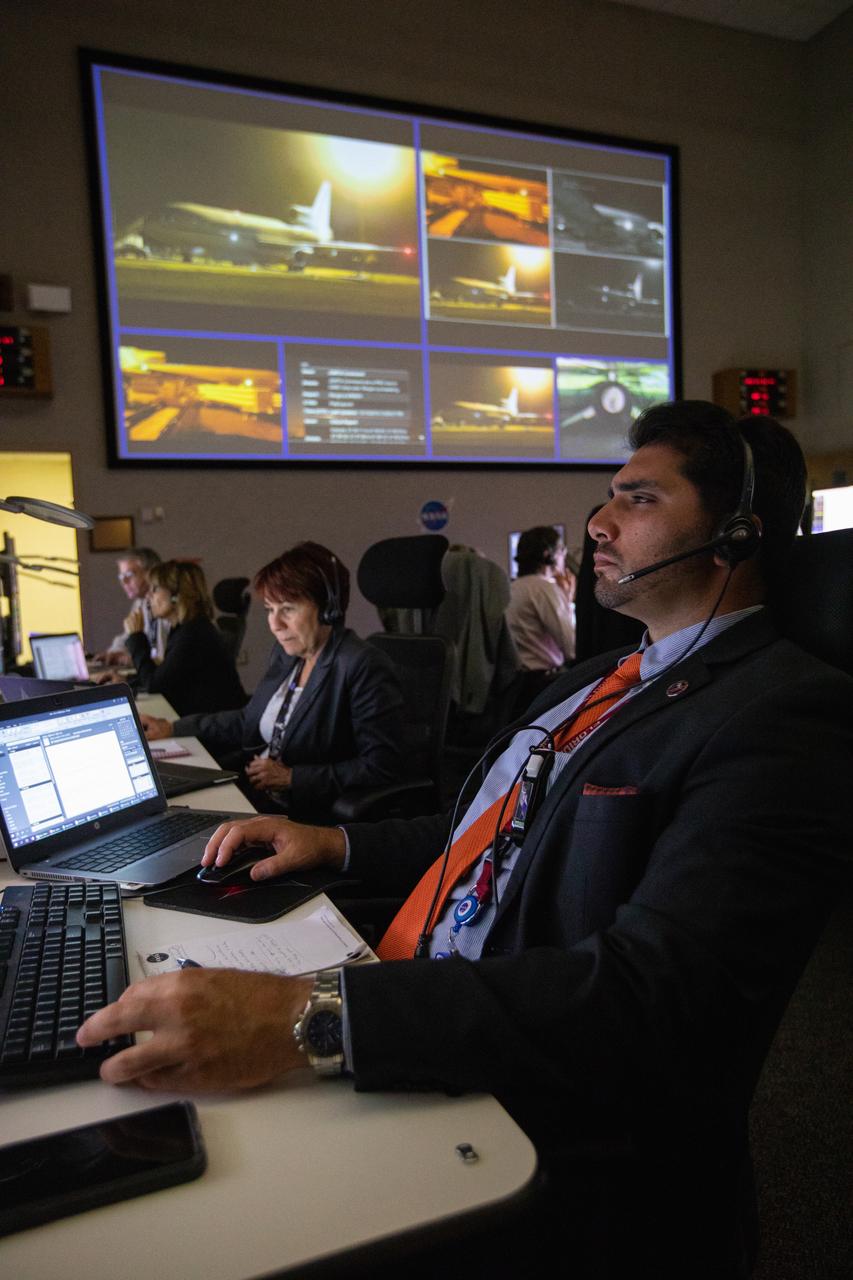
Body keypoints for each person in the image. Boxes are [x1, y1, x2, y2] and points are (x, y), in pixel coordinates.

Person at [79, 404, 853, 1279]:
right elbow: (481, 830)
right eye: (607, 496)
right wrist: (331, 843)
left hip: (527, 1106)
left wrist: (308, 1018)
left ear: (737, 530)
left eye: (637, 500)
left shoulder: (780, 711)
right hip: (411, 989)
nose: (597, 523)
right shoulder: (600, 677)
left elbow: (654, 1000)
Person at [140, 542, 406, 821]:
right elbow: (248, 720)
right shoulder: (288, 654)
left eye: (288, 609)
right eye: (269, 609)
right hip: (261, 796)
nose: (275, 624)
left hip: (307, 816)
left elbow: (381, 767)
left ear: (328, 609)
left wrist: (293, 778)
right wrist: (172, 727)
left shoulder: (361, 665)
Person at [124, 559, 245, 717]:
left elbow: (155, 685)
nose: (148, 596)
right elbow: (167, 675)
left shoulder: (193, 634)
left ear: (176, 595)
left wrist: (136, 636)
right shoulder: (186, 628)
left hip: (211, 731)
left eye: (155, 589)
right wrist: (126, 680)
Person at [506, 524, 576, 706]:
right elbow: (571, 646)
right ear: (548, 554)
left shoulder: (511, 588)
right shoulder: (543, 588)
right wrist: (568, 602)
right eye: (562, 551)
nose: (564, 557)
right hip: (544, 683)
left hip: (517, 684)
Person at [95, 546, 168, 666]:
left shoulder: (166, 607)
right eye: (121, 577)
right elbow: (128, 635)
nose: (124, 582)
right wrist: (113, 653)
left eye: (129, 575)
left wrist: (131, 659)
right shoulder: (140, 603)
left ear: (151, 573)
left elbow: (164, 659)